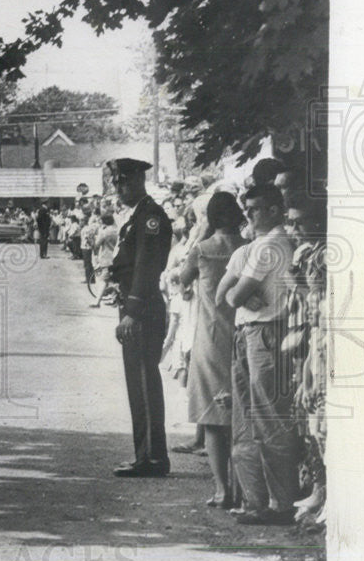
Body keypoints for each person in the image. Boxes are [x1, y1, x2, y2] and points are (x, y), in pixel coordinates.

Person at [217, 183, 298, 525]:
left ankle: (281, 503)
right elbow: (228, 293)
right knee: (250, 417)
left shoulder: (269, 245)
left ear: (274, 210)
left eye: (255, 209)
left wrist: (241, 294)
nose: (248, 215)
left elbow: (233, 296)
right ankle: (259, 500)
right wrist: (240, 294)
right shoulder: (257, 245)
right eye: (246, 209)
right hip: (251, 331)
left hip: (265, 331)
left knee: (267, 417)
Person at [179, 191, 248, 506]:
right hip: (242, 336)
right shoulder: (248, 248)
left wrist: (202, 234)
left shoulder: (202, 251)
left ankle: (222, 490)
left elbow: (182, 278)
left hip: (209, 337)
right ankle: (244, 487)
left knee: (211, 418)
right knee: (241, 416)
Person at [107, 157, 173, 477]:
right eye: (116, 182)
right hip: (137, 305)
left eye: (123, 182)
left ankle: (152, 459)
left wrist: (131, 311)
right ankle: (147, 455)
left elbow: (147, 266)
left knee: (144, 382)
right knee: (138, 381)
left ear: (139, 181)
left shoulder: (150, 217)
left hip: (143, 310)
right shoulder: (137, 217)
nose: (118, 188)